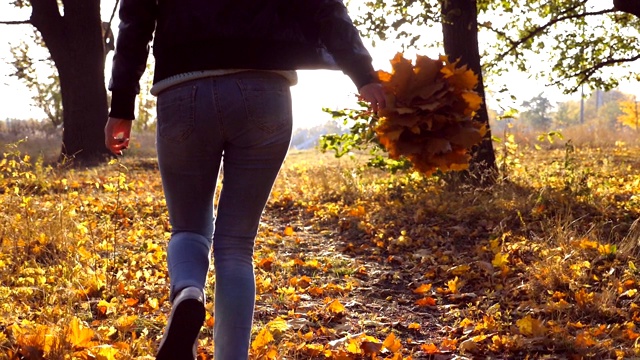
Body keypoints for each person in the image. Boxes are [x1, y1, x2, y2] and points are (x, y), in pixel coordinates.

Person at [104, 0, 386, 359]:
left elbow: (135, 18)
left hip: (183, 85)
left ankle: (189, 292)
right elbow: (324, 6)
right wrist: (363, 74)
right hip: (263, 86)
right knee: (236, 245)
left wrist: (122, 105)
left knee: (188, 230)